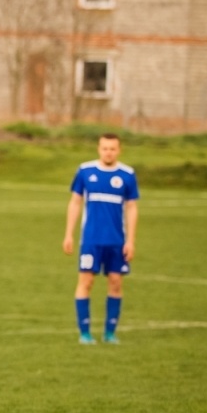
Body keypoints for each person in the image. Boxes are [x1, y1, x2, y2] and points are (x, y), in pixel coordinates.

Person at [62, 133, 139, 345]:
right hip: (91, 240)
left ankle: (110, 333)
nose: (108, 152)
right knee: (86, 282)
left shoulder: (127, 174)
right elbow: (75, 202)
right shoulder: (85, 171)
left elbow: (132, 207)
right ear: (99, 149)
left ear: (119, 150)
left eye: (112, 149)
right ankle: (85, 333)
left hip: (117, 241)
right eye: (105, 148)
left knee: (115, 282)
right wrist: (69, 234)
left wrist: (131, 240)